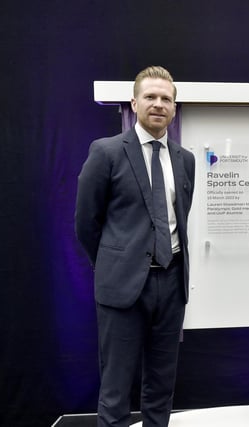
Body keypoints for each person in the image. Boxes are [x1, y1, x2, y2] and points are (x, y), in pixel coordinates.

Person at [75, 66, 195, 427]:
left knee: (161, 387)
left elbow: (179, 217)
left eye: (166, 99)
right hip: (122, 288)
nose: (158, 104)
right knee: (115, 391)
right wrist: (116, 263)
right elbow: (86, 222)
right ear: (134, 103)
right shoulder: (106, 151)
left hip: (172, 285)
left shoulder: (184, 159)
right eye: (150, 97)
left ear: (174, 108)